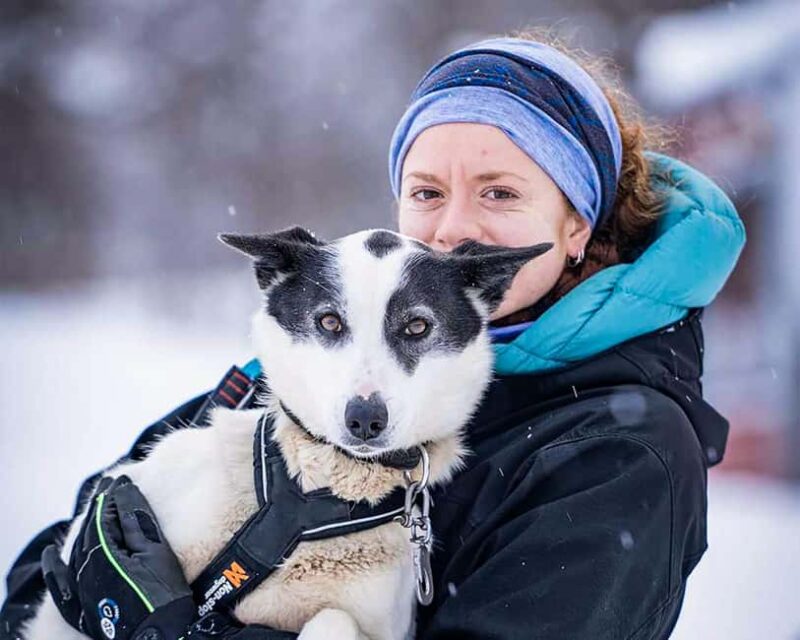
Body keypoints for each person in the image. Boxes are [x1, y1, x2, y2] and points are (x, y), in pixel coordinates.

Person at [1, 31, 745, 640]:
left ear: (576, 224)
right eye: (427, 192)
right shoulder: (310, 373)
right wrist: (85, 592)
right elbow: (48, 568)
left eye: (500, 192)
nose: (453, 228)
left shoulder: (621, 448)